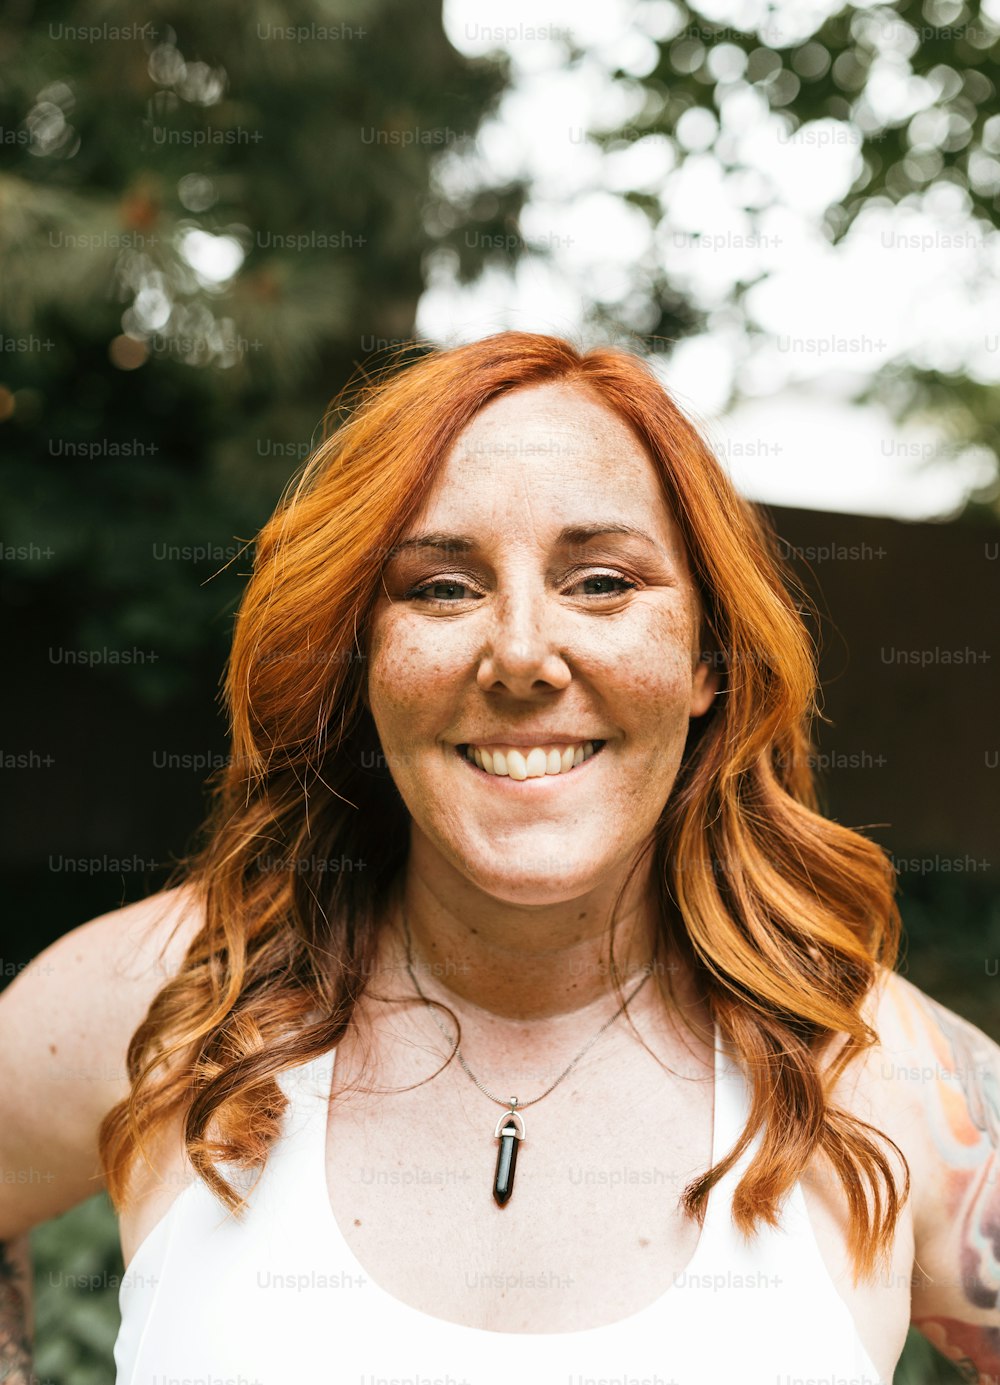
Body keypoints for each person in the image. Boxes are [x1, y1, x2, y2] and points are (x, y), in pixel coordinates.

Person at [1, 331, 997, 1385]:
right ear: (365, 659)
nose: (520, 652)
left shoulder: (888, 1075)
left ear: (708, 656)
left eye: (602, 581)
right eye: (439, 587)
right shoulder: (167, 996)